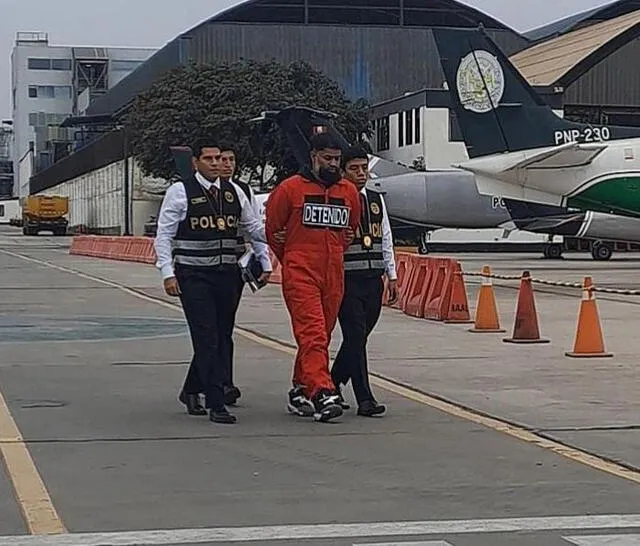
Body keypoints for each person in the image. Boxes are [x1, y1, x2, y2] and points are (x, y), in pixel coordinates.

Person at [154, 141, 269, 424]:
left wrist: (280, 242)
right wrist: (167, 273)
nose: (216, 163)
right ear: (195, 163)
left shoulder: (235, 193)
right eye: (209, 159)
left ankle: (191, 389)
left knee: (220, 336)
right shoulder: (180, 192)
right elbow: (164, 235)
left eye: (220, 158)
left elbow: (253, 228)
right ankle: (216, 402)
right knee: (206, 336)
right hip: (193, 277)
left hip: (227, 276)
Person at [265, 132, 361, 423]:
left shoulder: (348, 192)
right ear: (313, 157)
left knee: (322, 334)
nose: (332, 164)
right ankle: (322, 391)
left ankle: (300, 388)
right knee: (313, 333)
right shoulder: (290, 189)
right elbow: (273, 230)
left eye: (336, 159)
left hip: (333, 271)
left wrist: (333, 253)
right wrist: (293, 259)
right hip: (301, 270)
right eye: (327, 158)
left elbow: (349, 232)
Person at [330, 145, 398, 417]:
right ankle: (364, 398)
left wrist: (392, 274)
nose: (361, 174)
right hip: (347, 278)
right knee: (355, 335)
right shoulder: (335, 198)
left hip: (373, 278)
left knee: (359, 337)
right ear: (343, 171)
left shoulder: (375, 199)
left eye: (363, 168)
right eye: (354, 169)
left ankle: (332, 382)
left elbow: (386, 237)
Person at [217, 143, 272, 406]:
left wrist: (266, 261)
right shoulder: (190, 192)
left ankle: (224, 382)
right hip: (201, 270)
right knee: (209, 330)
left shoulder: (242, 191)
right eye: (221, 159)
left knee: (224, 328)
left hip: (233, 267)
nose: (226, 164)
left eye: (231, 159)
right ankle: (210, 383)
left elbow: (254, 229)